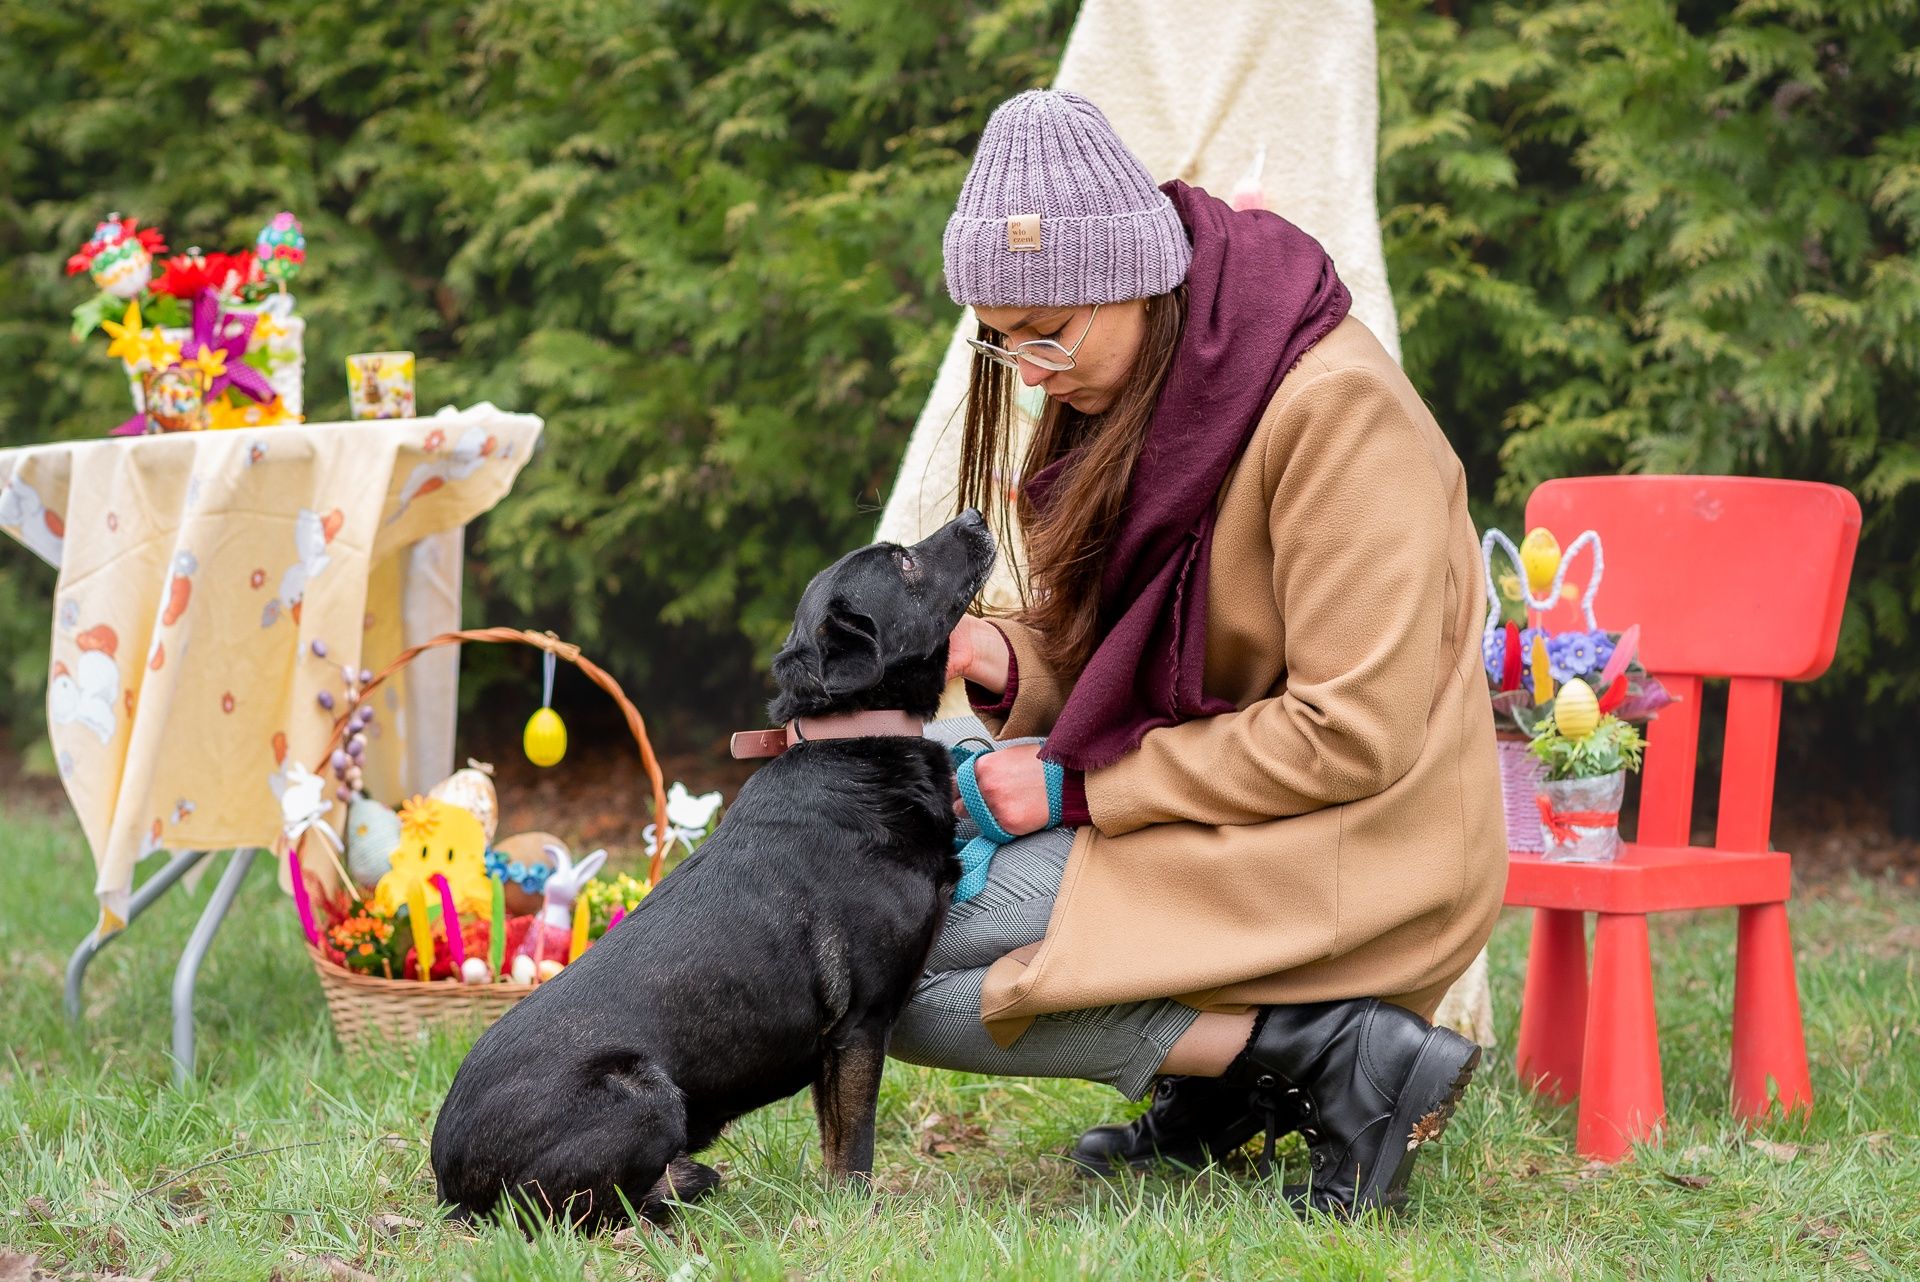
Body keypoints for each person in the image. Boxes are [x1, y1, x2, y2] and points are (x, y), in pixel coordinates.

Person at [885, 90, 1508, 1216]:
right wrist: (1003, 662)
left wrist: (1079, 788)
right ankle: (1234, 1082)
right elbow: (1146, 658)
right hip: (1227, 810)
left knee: (905, 977)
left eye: (1044, 332)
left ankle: (1336, 1056)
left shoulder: (1337, 412)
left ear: (1135, 274)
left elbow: (1348, 733)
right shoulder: (1132, 386)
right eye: (998, 337)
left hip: (1368, 843)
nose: (1025, 371)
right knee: (888, 893)